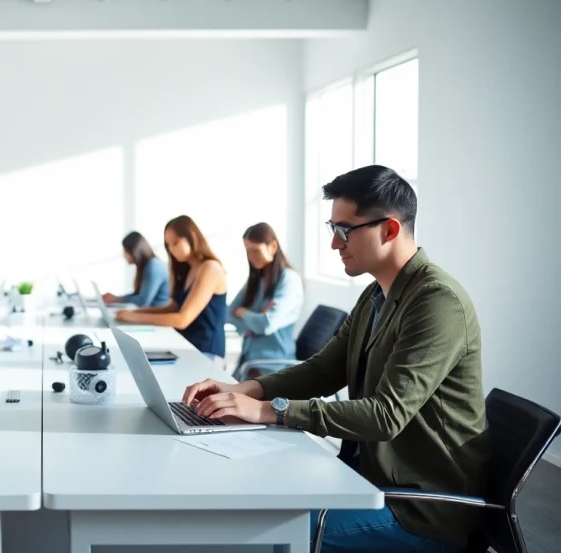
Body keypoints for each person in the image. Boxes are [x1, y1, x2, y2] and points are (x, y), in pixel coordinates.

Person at [182, 165, 486, 553]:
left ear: (389, 230)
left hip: (416, 510)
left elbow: (385, 416)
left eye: (344, 231)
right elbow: (325, 369)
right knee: (251, 494)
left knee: (261, 528)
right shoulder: (377, 294)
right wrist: (242, 389)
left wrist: (269, 410)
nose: (334, 244)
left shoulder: (437, 303)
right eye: (333, 230)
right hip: (365, 480)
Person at [115, 215, 228, 358]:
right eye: (168, 245)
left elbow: (182, 319)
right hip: (184, 345)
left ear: (192, 237)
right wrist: (136, 312)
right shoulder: (187, 269)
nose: (172, 249)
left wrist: (135, 317)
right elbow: (174, 307)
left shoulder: (210, 268)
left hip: (206, 352)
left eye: (175, 243)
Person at [227, 222, 304, 379]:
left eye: (256, 250)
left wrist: (243, 313)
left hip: (272, 367)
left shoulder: (289, 280)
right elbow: (229, 313)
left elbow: (266, 324)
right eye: (247, 251)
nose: (250, 257)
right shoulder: (257, 280)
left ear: (273, 246)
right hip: (249, 361)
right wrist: (254, 320)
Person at [101, 231, 171, 308]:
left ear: (134, 251)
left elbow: (142, 302)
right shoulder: (148, 266)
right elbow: (138, 295)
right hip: (149, 314)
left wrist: (117, 299)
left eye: (125, 251)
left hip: (157, 316)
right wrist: (115, 299)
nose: (124, 255)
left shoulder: (153, 266)